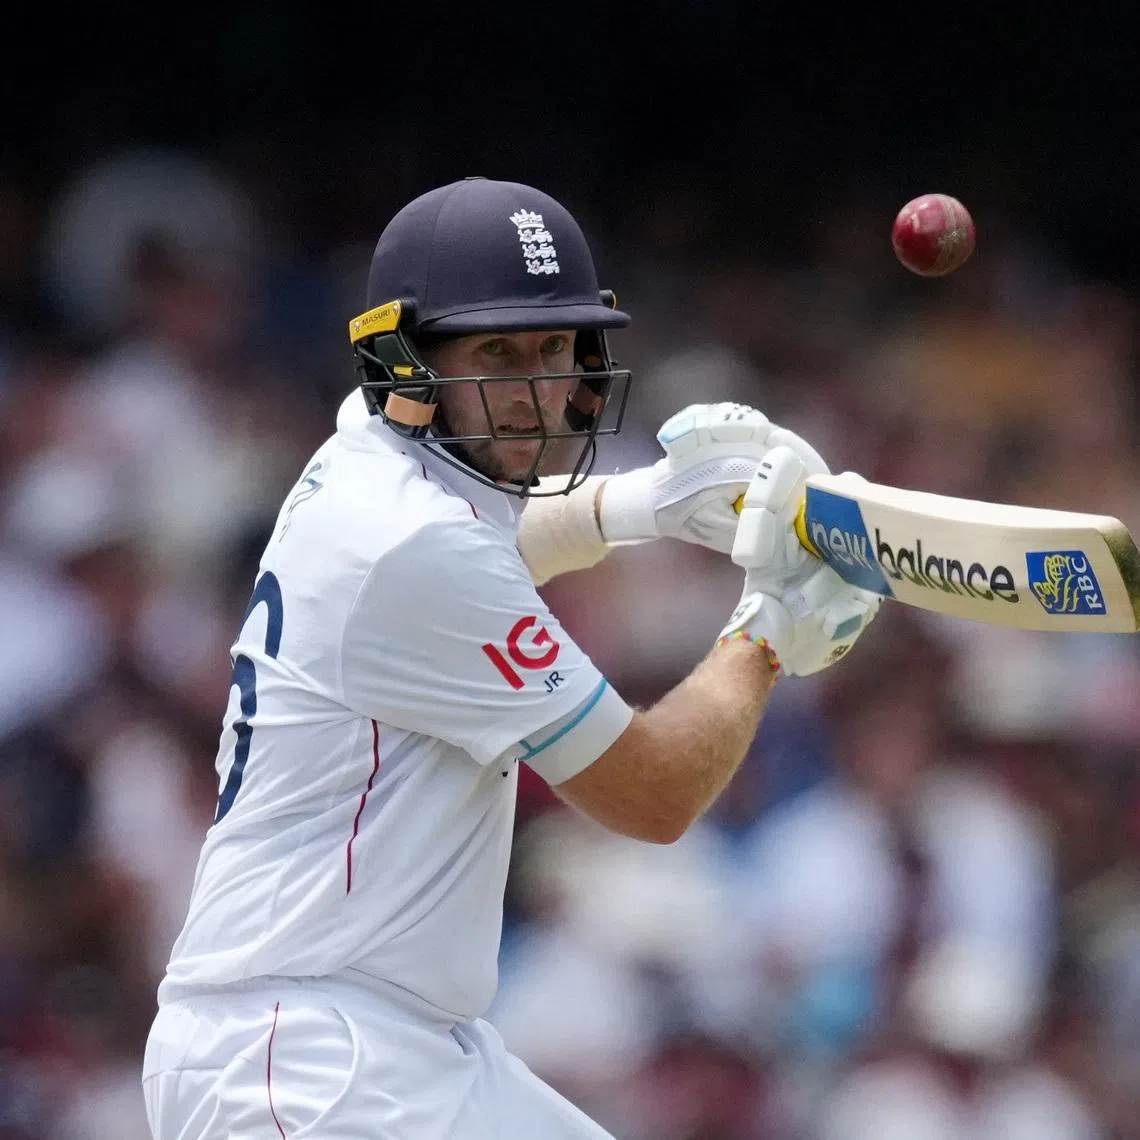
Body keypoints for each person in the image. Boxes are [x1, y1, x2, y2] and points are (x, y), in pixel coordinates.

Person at [141, 176, 881, 1138]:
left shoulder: (370, 453)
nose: (537, 392)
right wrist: (769, 628)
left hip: (395, 1043)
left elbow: (490, 542)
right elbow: (652, 796)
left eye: (553, 348)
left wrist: (652, 501)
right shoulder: (411, 546)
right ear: (406, 360)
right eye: (496, 351)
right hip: (304, 1067)